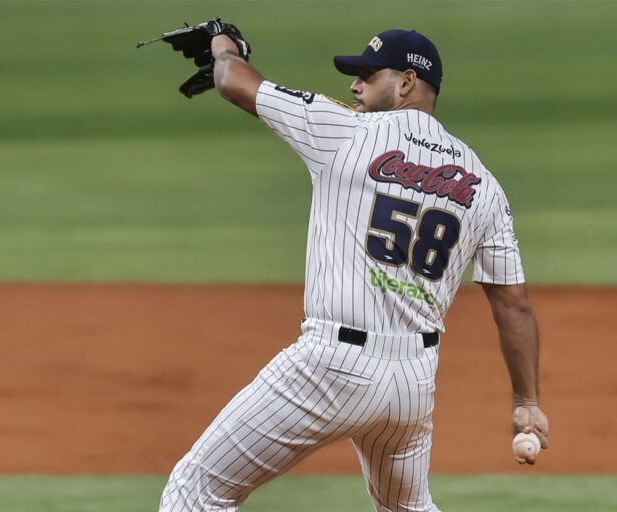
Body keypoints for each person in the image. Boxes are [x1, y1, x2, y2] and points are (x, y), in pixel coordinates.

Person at [159, 28, 550, 512]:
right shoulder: (484, 185)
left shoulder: (344, 132)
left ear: (407, 82)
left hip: (330, 368)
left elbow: (235, 82)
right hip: (412, 385)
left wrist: (223, 45)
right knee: (406, 507)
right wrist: (526, 401)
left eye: (367, 76)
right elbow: (513, 304)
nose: (354, 87)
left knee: (195, 490)